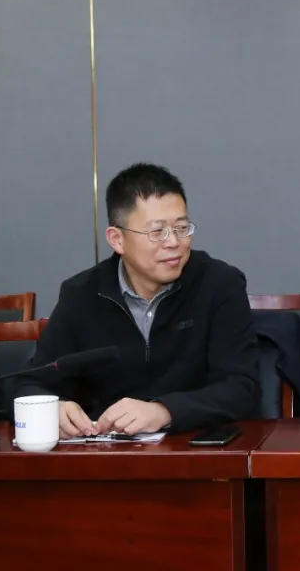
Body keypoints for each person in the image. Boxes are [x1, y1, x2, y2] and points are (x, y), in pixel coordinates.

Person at [15, 163, 260, 437]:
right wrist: (52, 408)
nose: (173, 242)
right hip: (106, 454)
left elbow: (241, 387)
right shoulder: (81, 295)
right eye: (157, 232)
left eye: (181, 228)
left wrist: (164, 411)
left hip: (195, 448)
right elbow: (31, 384)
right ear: (117, 239)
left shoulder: (219, 284)